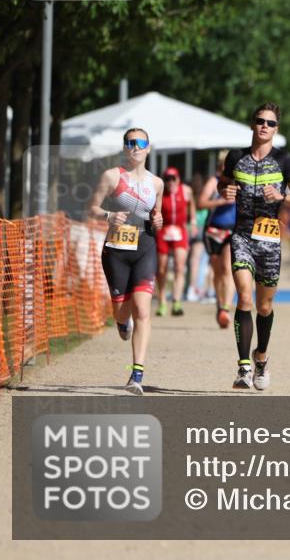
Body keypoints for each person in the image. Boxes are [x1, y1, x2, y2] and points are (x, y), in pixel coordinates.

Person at [219, 102, 290, 390]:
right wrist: (226, 189)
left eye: (270, 123)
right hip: (242, 235)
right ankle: (243, 367)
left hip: (269, 238)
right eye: (260, 121)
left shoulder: (285, 161)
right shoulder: (236, 157)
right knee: (244, 298)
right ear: (252, 124)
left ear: (276, 129)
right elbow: (223, 183)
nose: (264, 126)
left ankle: (262, 357)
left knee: (264, 306)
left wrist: (281, 196)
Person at [87, 127, 164, 395]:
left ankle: (137, 375)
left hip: (145, 245)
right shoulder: (111, 176)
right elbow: (92, 207)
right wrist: (108, 216)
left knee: (142, 310)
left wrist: (159, 220)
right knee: (122, 310)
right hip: (117, 249)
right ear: (124, 148)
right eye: (130, 142)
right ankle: (122, 323)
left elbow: (158, 215)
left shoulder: (157, 183)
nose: (135, 146)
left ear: (148, 148)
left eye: (140, 142)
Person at [197, 150, 237, 329]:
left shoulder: (240, 181)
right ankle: (220, 303)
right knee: (217, 270)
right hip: (214, 230)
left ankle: (226, 309)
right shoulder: (214, 182)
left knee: (228, 268)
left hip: (233, 231)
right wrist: (220, 201)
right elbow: (201, 203)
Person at [155, 167, 196, 317]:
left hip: (179, 231)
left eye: (173, 179)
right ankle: (162, 301)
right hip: (164, 231)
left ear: (178, 179)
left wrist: (193, 221)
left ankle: (177, 301)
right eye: (167, 179)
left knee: (179, 267)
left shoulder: (186, 190)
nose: (171, 182)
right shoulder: (160, 192)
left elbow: (192, 204)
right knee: (161, 269)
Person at [187, 171, 210, 303]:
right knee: (200, 261)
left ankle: (192, 288)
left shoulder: (191, 197)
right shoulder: (204, 197)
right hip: (201, 229)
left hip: (190, 227)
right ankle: (196, 288)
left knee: (191, 261)